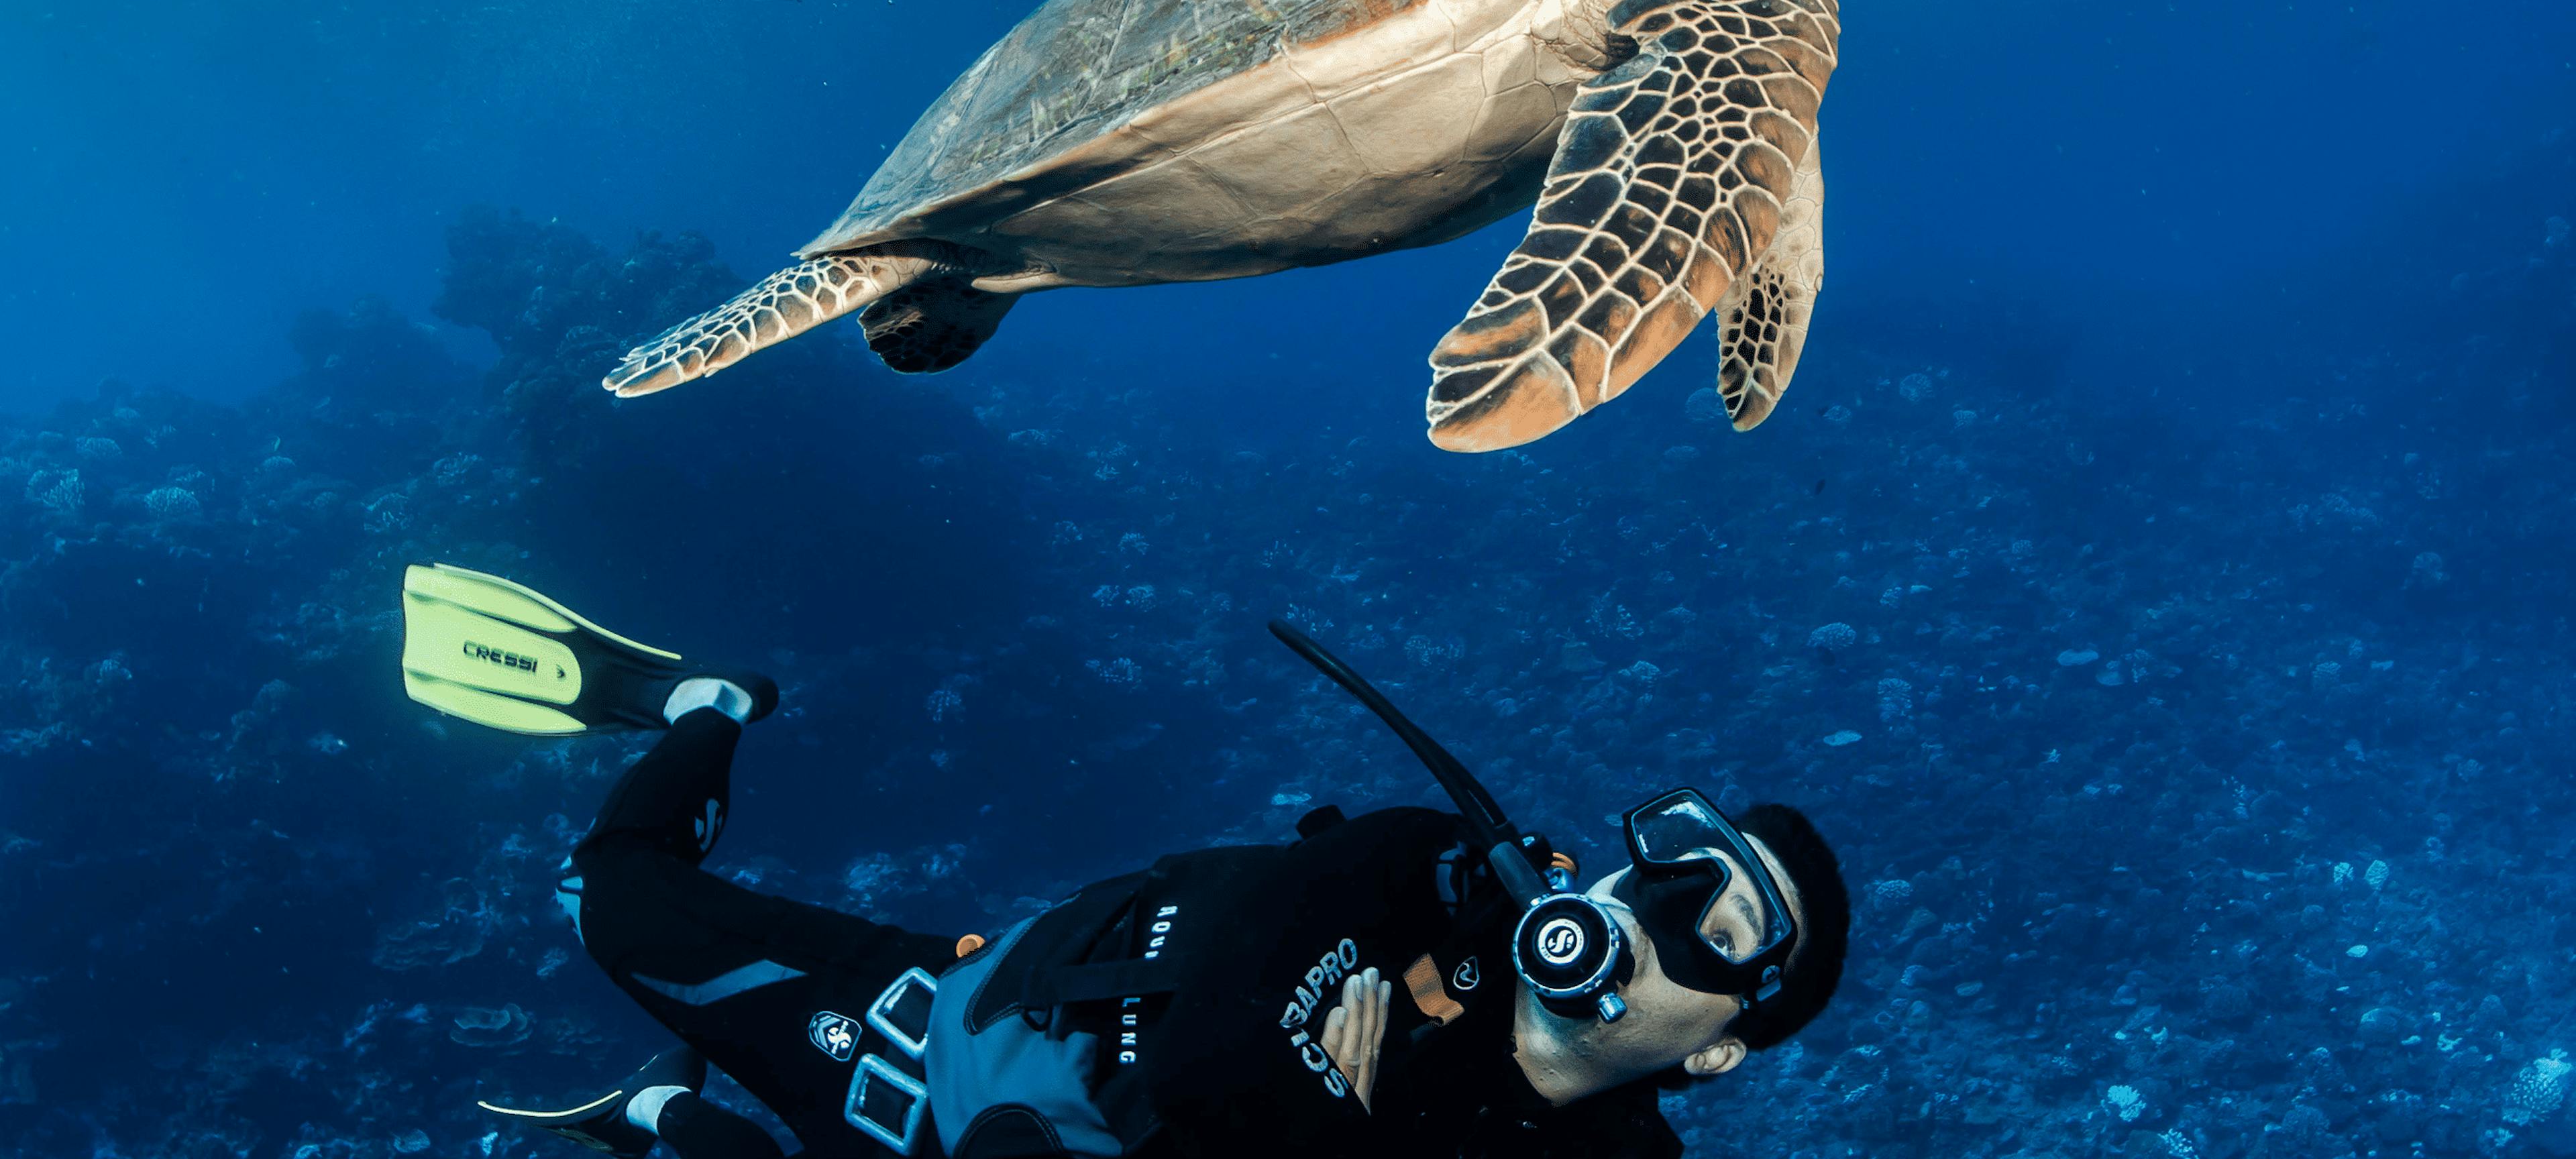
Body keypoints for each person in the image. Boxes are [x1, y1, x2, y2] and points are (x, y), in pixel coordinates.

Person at [402, 565, 1850, 1159]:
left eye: (1715, 931)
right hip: (931, 1036)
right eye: (1658, 868)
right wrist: (1333, 1113)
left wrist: (1350, 1108)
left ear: (1720, 1050)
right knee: (603, 898)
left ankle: (661, 1118)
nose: (1637, 911)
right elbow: (1222, 1023)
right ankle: (703, 707)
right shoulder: (1429, 870)